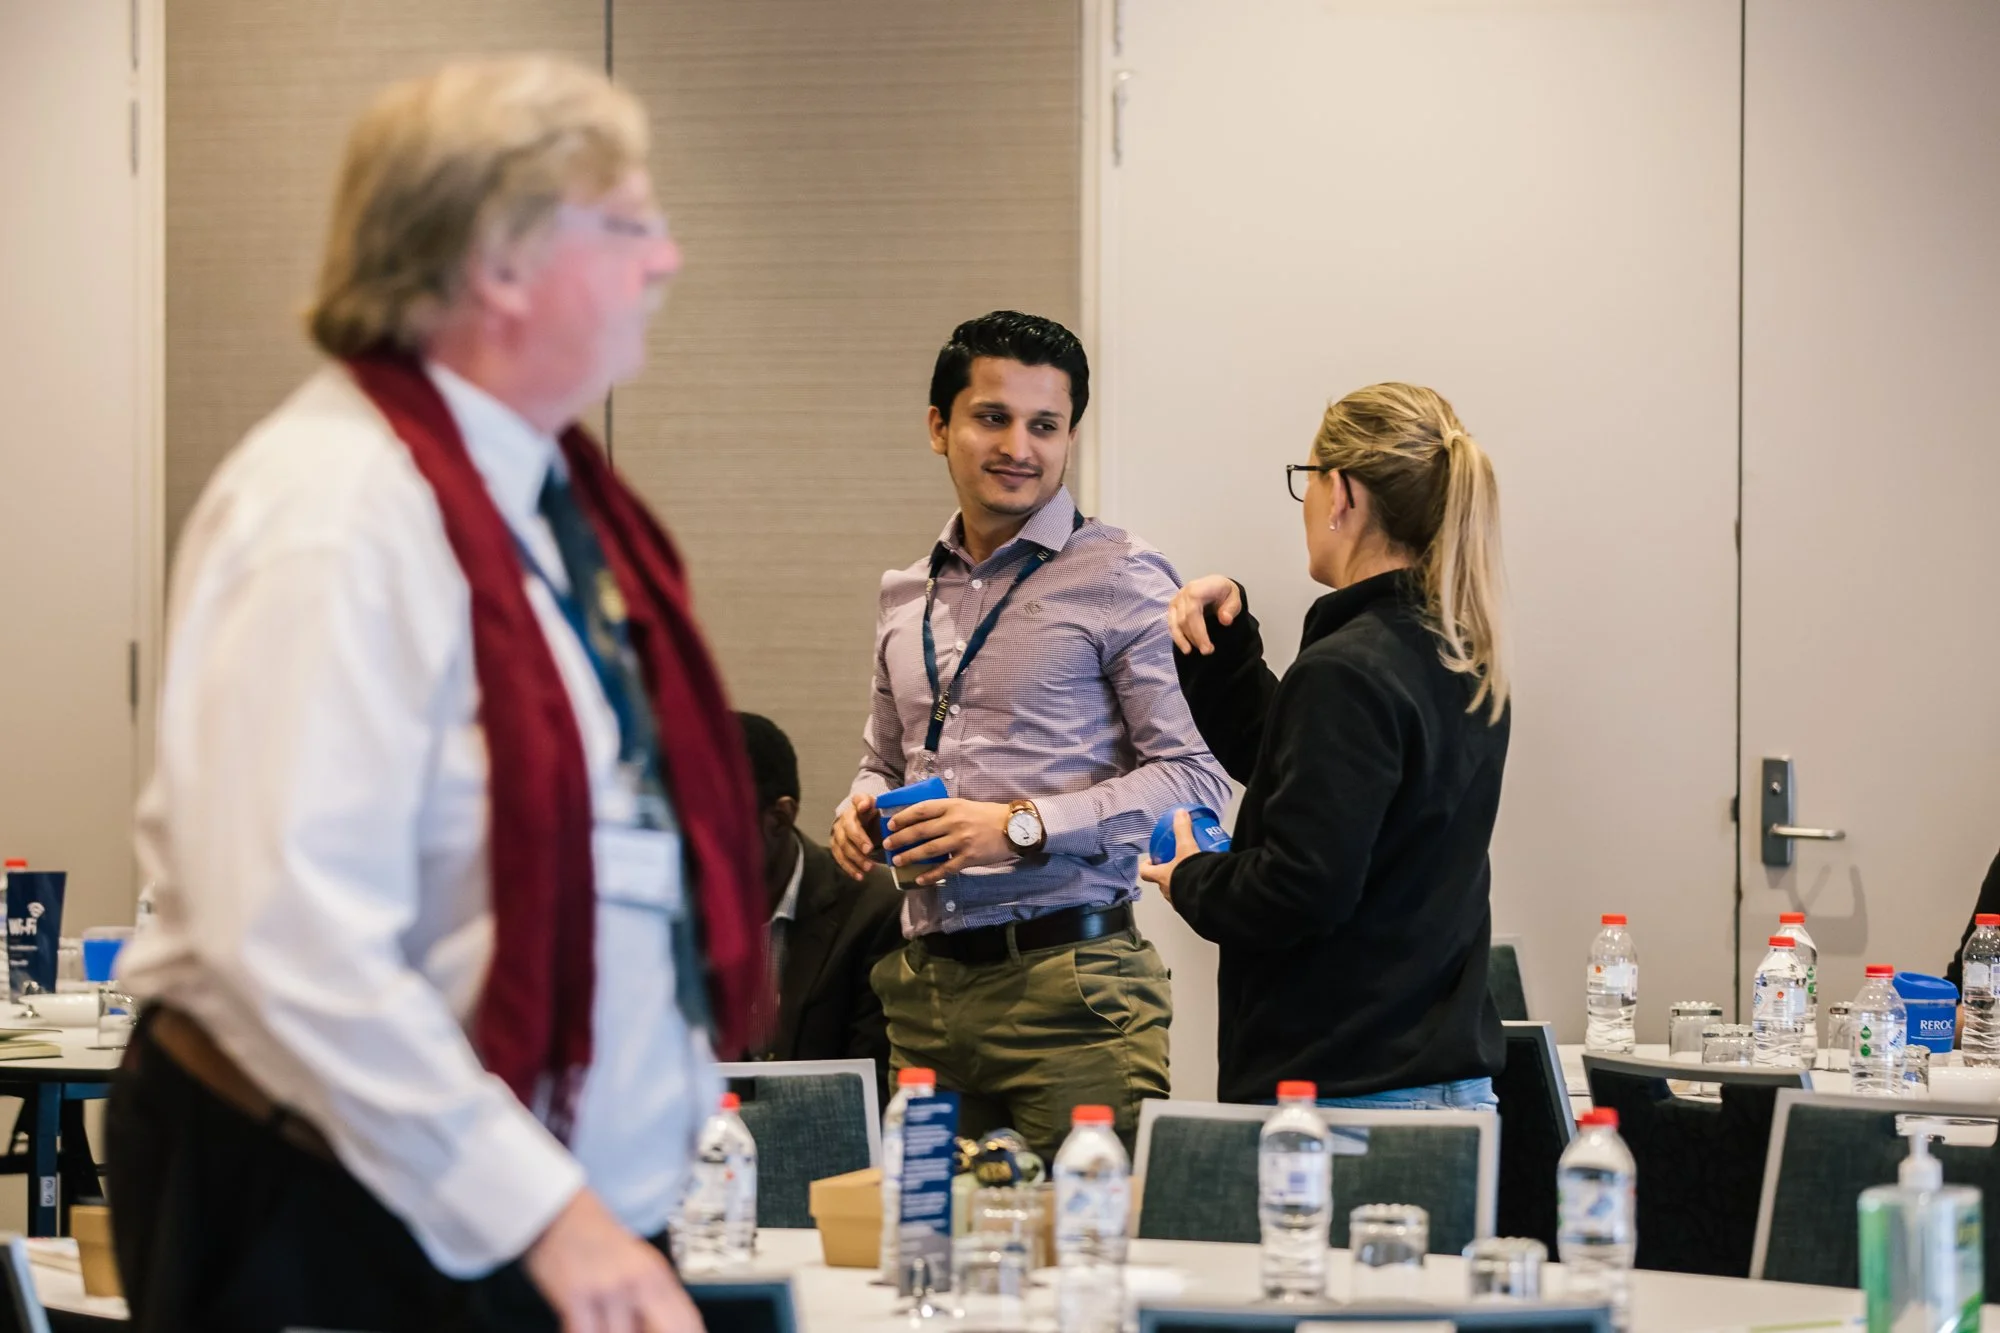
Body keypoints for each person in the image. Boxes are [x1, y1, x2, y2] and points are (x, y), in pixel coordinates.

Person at [109, 57, 763, 1333]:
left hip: (518, 1213)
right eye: (627, 224)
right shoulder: (336, 508)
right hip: (354, 1207)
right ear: (500, 263)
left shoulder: (540, 506)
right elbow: (288, 934)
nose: (666, 258)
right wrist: (546, 1215)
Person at [829, 311, 1228, 1157]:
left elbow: (1195, 777)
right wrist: (860, 807)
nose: (1020, 446)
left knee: (1088, 1236)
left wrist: (1018, 826)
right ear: (939, 427)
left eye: (1045, 425)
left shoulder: (1122, 575)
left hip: (1073, 992)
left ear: (1070, 437)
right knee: (929, 1235)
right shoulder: (905, 593)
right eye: (992, 417)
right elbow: (881, 760)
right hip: (924, 996)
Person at [1143, 382, 1510, 1110]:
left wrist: (1193, 877)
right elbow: (1307, 782)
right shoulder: (1451, 651)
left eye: (1306, 480)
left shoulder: (1347, 669)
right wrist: (1225, 647)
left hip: (1349, 1096)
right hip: (1428, 1084)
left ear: (1341, 492)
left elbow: (1299, 889)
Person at [737, 712, 902, 1103]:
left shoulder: (873, 909)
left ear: (778, 819)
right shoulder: (672, 914)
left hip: (827, 1133)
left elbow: (872, 1089)